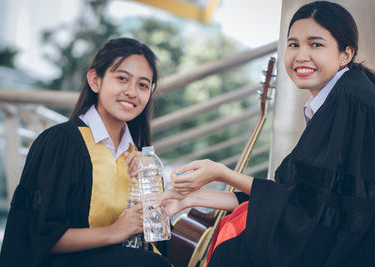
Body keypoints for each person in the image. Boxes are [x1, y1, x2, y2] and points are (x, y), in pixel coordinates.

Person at [156, 1, 375, 266]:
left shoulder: (350, 101)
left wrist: (222, 172)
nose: (301, 55)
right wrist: (190, 198)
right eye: (293, 44)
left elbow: (314, 212)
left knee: (232, 254)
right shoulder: (341, 97)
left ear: (345, 54)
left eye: (316, 44)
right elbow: (291, 198)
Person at [0, 38, 172, 267]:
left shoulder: (139, 157)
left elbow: (154, 236)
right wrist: (114, 232)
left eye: (143, 85)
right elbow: (37, 236)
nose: (132, 92)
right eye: (122, 78)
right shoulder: (61, 144)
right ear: (95, 81)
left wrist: (152, 185)